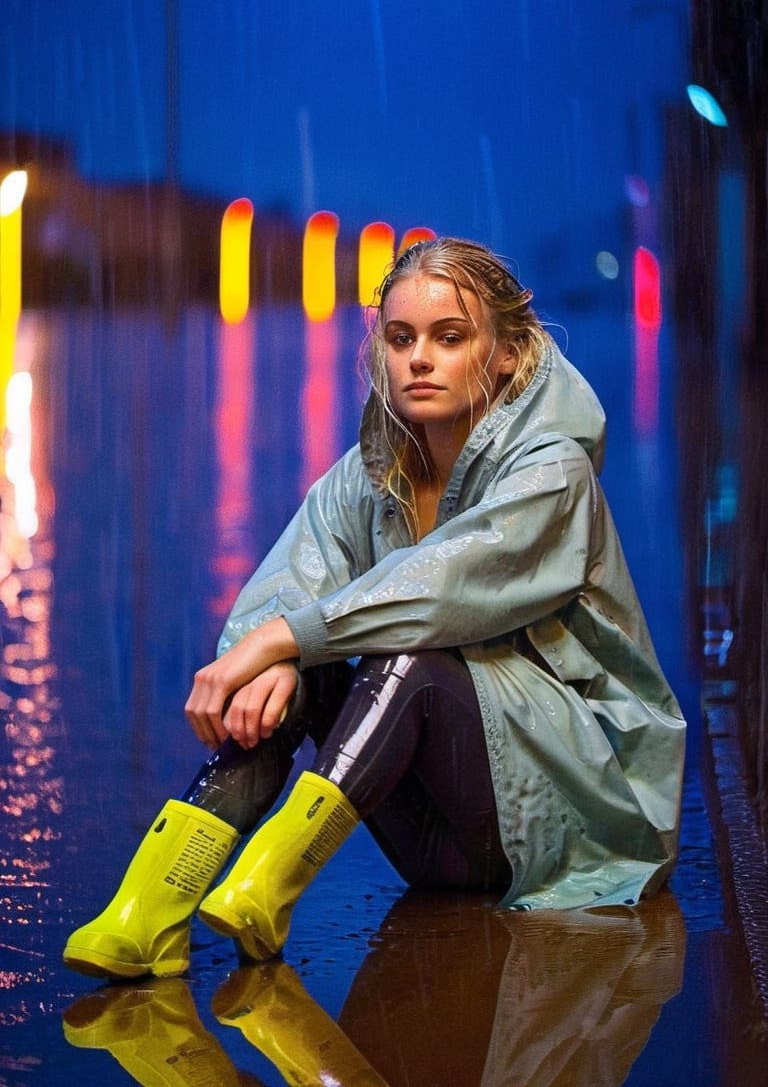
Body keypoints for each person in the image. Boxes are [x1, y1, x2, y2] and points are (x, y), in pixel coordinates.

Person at [63, 236, 686, 981]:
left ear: (509, 354)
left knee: (407, 654)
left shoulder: (554, 473)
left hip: (575, 824)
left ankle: (268, 884)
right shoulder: (369, 475)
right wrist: (273, 654)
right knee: (303, 666)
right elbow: (287, 584)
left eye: (449, 338)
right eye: (401, 338)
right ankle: (152, 908)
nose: (419, 359)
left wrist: (280, 640)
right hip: (445, 842)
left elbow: (444, 588)